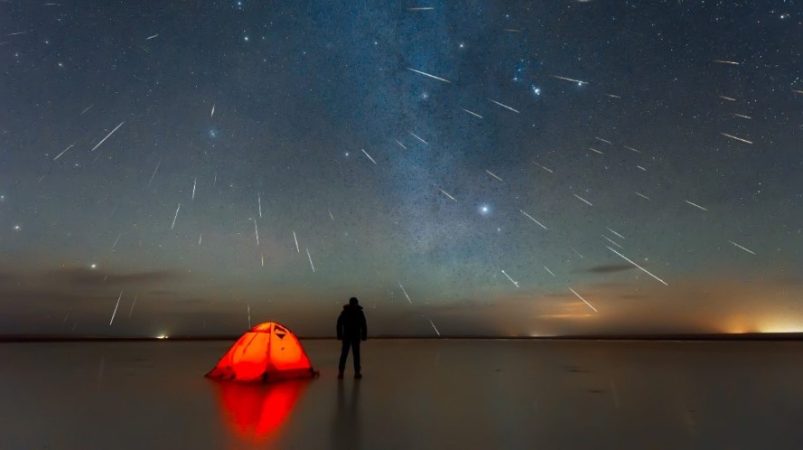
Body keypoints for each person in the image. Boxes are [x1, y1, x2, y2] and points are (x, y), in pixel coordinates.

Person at [337, 297, 367, 379]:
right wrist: (339, 335)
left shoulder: (355, 312)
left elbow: (363, 325)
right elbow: (339, 323)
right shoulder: (348, 312)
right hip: (349, 337)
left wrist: (364, 335)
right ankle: (343, 372)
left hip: (353, 337)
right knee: (347, 354)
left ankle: (352, 372)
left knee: (351, 355)